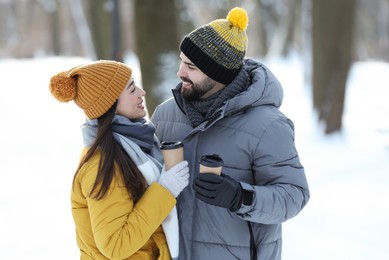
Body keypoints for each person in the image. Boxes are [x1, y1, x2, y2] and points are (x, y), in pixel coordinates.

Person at [151, 7, 310, 260]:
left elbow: (294, 195)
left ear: (219, 74)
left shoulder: (268, 126)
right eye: (181, 61)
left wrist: (241, 196)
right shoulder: (165, 115)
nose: (180, 72)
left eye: (191, 66)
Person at [49, 60, 190, 260]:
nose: (142, 93)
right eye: (132, 89)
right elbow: (115, 245)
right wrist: (165, 190)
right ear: (110, 103)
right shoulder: (102, 163)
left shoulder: (132, 145)